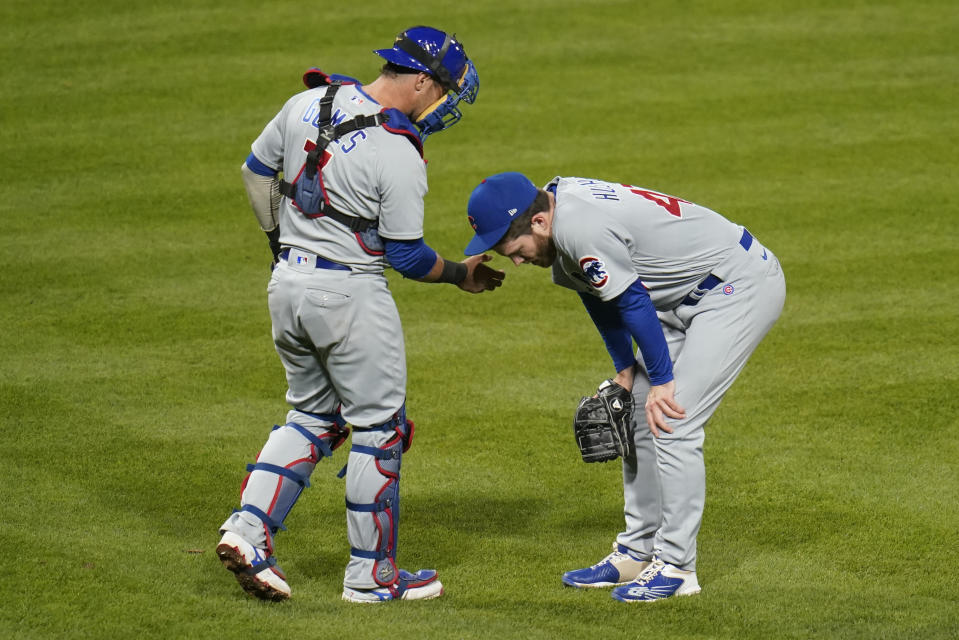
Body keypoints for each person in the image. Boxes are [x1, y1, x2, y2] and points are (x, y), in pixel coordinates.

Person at [216, 26, 504, 605]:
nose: (443, 103)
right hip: (349, 296)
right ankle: (371, 577)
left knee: (313, 416)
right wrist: (458, 274)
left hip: (287, 287)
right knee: (380, 429)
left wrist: (279, 243)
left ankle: (247, 532)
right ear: (422, 82)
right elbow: (405, 254)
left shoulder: (308, 102)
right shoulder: (397, 150)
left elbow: (254, 172)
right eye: (443, 91)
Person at [462, 172, 785, 602]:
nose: (516, 262)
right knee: (633, 407)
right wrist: (625, 370)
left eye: (514, 250)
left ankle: (677, 567)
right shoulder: (555, 219)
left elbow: (632, 300)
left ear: (538, 222)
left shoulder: (580, 225)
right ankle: (637, 549)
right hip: (680, 299)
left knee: (672, 418)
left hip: (734, 288)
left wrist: (664, 381)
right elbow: (599, 296)